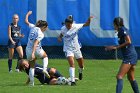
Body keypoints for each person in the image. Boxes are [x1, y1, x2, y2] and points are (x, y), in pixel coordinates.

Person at [105, 17, 139, 93]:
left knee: (119, 76)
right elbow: (124, 43)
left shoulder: (122, 30)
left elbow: (128, 41)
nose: (113, 26)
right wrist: (112, 47)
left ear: (116, 24)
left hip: (129, 56)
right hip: (131, 55)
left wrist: (116, 47)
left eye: (114, 24)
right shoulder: (121, 30)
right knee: (131, 77)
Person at [58, 15, 93, 86]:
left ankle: (80, 72)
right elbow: (61, 34)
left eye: (69, 24)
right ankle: (72, 81)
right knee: (72, 64)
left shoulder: (76, 26)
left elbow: (87, 24)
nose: (68, 26)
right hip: (68, 49)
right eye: (67, 24)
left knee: (81, 65)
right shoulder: (63, 28)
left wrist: (89, 19)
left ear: (72, 23)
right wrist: (59, 38)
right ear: (65, 23)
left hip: (76, 48)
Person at [25, 11, 50, 86]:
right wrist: (33, 53)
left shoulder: (33, 27)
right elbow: (36, 43)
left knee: (32, 67)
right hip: (36, 50)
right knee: (45, 56)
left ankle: (31, 83)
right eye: (46, 28)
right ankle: (45, 69)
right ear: (44, 27)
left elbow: (26, 21)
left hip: (28, 50)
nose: (46, 29)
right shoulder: (41, 34)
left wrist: (28, 14)